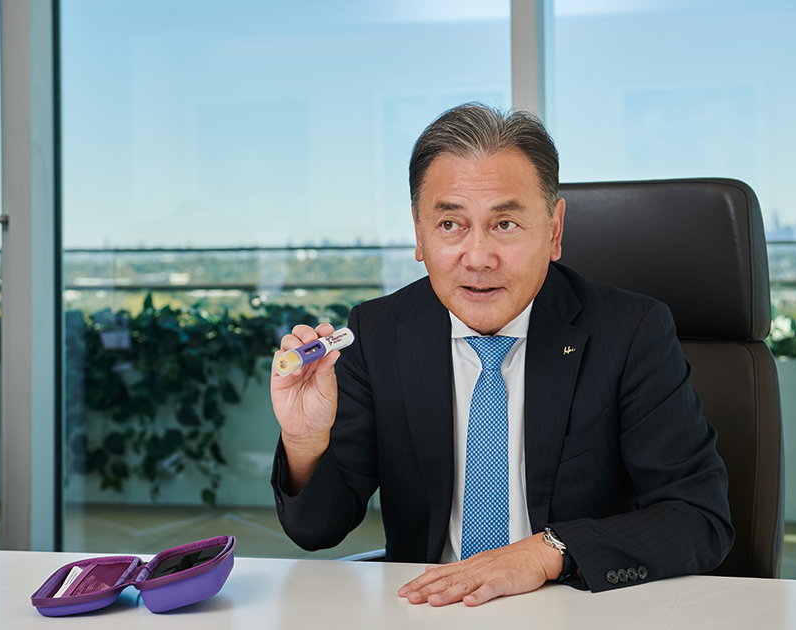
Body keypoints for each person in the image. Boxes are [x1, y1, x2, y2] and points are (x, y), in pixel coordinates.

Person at [270, 103, 734, 606]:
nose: (478, 258)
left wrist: (547, 552)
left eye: (506, 224)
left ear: (553, 230)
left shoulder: (630, 331)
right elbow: (317, 529)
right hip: (433, 612)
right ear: (419, 234)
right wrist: (304, 441)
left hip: (576, 607)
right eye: (450, 224)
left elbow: (698, 518)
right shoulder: (378, 332)